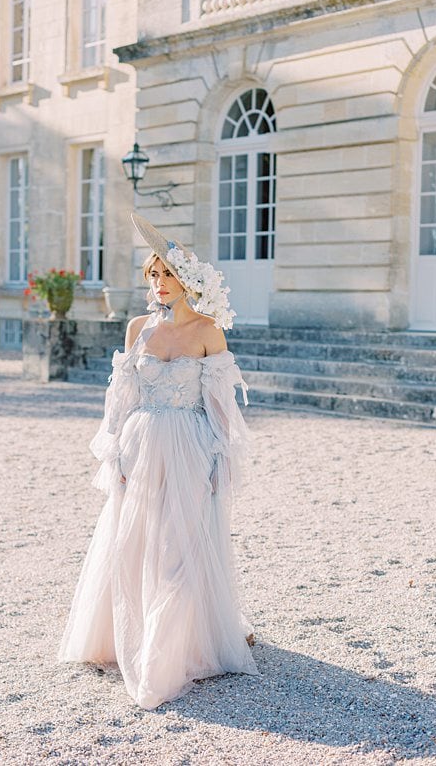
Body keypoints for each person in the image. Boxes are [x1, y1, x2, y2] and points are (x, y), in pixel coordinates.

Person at [57, 212, 259, 710]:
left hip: (189, 446)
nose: (159, 283)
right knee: (134, 539)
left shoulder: (209, 332)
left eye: (167, 274)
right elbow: (119, 398)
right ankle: (128, 633)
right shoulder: (137, 329)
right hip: (142, 442)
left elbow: (220, 407)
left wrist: (219, 460)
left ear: (187, 281)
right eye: (153, 275)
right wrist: (114, 450)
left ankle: (174, 647)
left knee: (180, 542)